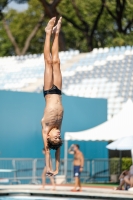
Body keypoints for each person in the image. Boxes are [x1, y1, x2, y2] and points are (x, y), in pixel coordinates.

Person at [41, 17, 63, 177]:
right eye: (59, 137)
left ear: (49, 136)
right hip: (59, 91)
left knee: (48, 62)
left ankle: (48, 33)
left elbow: (49, 152)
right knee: (57, 61)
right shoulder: (59, 127)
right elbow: (58, 153)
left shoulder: (46, 128)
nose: (58, 135)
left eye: (56, 137)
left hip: (49, 91)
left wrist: (49, 167)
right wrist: (57, 169)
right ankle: (57, 33)